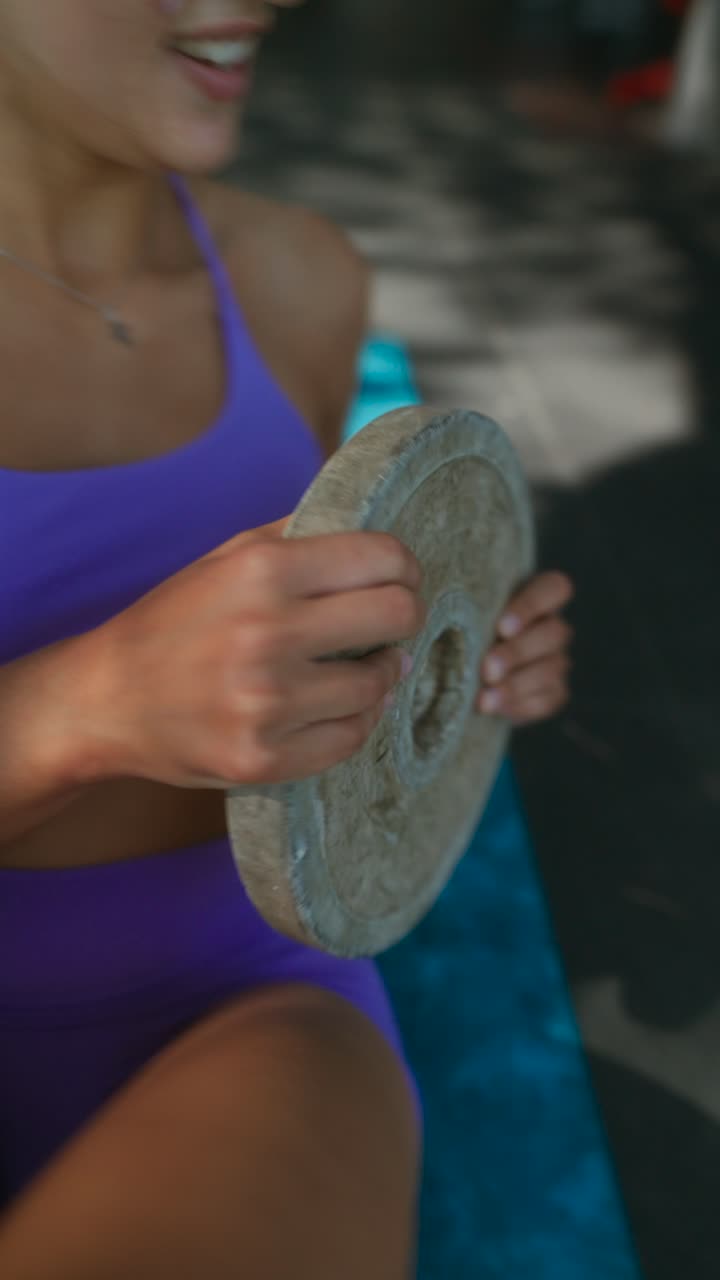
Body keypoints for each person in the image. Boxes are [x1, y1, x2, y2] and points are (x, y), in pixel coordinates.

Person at [0, 2, 574, 1275]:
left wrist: (449, 674)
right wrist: (84, 706)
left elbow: (337, 683)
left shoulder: (303, 279)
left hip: (249, 1000)